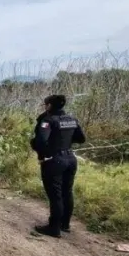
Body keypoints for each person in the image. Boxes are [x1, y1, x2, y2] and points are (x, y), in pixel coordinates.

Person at [30, 94, 86, 238]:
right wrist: (64, 141)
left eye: (45, 104)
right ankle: (65, 225)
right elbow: (81, 138)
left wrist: (46, 155)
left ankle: (54, 228)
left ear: (49, 105)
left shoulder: (48, 120)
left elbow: (41, 141)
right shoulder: (72, 119)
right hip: (71, 159)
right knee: (67, 192)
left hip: (55, 160)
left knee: (55, 195)